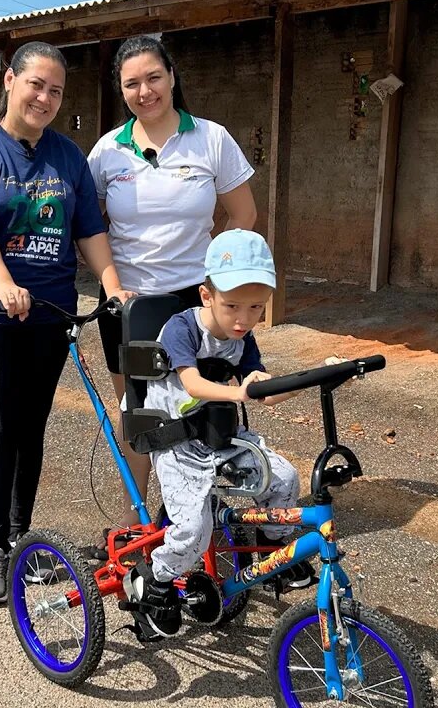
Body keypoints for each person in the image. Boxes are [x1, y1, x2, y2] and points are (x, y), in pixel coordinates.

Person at [0, 41, 131, 605]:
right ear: (10, 81)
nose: (45, 98)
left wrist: (113, 285)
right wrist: (2, 282)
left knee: (31, 428)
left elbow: (89, 232)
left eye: (55, 90)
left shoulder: (67, 157)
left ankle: (23, 541)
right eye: (36, 85)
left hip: (48, 314)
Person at [86, 35, 259, 529]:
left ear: (172, 77)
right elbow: (89, 225)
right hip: (129, 304)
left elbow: (243, 212)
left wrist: (216, 280)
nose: (145, 91)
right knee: (140, 413)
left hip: (195, 301)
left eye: (153, 78)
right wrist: (113, 283)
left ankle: (190, 515)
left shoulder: (210, 138)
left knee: (199, 405)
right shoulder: (107, 152)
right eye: (132, 84)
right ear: (122, 91)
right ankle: (134, 521)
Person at [125, 229, 323, 640]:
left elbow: (263, 392)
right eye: (232, 305)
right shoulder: (183, 329)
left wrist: (320, 378)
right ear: (206, 296)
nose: (243, 319)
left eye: (255, 308)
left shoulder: (242, 338)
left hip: (219, 437)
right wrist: (239, 391)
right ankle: (153, 579)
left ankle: (271, 551)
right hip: (174, 441)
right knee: (193, 531)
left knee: (285, 479)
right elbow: (194, 384)